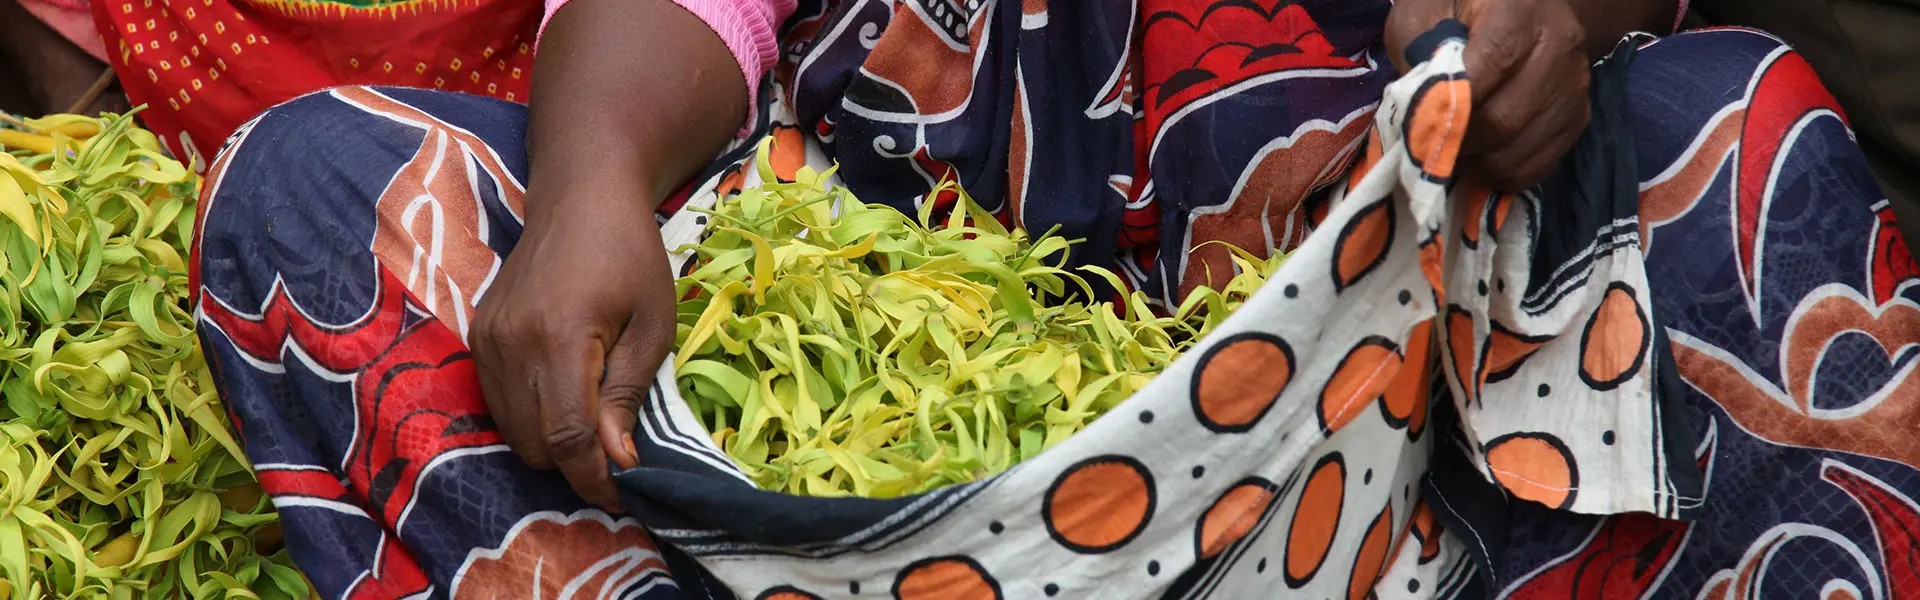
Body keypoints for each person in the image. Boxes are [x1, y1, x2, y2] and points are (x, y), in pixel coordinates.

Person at [187, 0, 1920, 597]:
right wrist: (587, 190)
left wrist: (1538, 23)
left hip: (1359, 374)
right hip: (859, 341)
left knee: (1733, 138)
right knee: (320, 201)